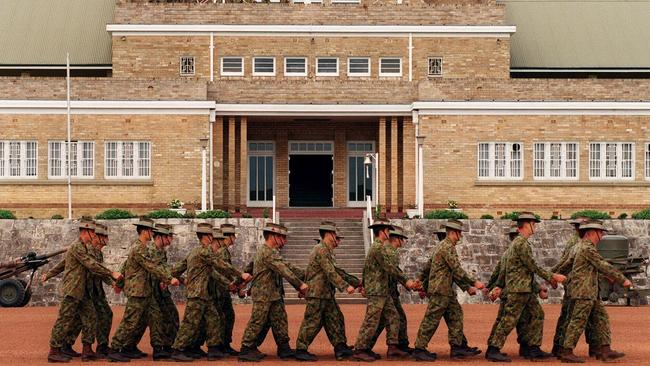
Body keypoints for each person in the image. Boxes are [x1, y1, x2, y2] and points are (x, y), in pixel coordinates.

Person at [486, 212, 566, 362]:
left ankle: (532, 348)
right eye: (533, 224)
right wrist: (552, 277)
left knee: (537, 315)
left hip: (525, 289)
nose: (534, 227)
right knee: (509, 319)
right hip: (518, 290)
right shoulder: (521, 243)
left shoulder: (520, 244)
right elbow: (532, 266)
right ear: (526, 225)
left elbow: (525, 270)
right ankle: (493, 349)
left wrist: (537, 288)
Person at [171, 224, 252, 362]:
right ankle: (177, 349)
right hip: (197, 293)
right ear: (205, 237)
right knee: (190, 323)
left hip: (203, 294)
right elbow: (220, 264)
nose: (213, 239)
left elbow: (179, 270)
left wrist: (179, 279)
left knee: (214, 318)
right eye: (211, 236)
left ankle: (214, 349)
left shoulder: (195, 252)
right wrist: (240, 274)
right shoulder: (204, 252)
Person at [47, 217, 123, 363]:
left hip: (83, 291)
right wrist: (111, 273)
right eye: (92, 232)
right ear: (85, 231)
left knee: (90, 317)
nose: (94, 235)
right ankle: (54, 350)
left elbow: (94, 266)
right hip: (73, 289)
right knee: (65, 319)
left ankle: (87, 351)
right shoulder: (77, 247)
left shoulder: (85, 247)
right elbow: (90, 264)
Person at [557, 219, 632, 363]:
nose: (602, 236)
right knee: (578, 321)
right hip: (584, 292)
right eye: (600, 233)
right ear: (591, 233)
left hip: (589, 291)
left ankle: (605, 349)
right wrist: (622, 279)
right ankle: (567, 351)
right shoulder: (587, 248)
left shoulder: (580, 247)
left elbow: (566, 264)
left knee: (601, 318)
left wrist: (553, 276)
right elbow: (602, 264)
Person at [109, 217, 180, 362]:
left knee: (155, 317)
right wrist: (168, 278)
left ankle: (157, 349)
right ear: (143, 231)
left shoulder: (143, 247)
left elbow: (128, 266)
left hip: (145, 290)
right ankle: (115, 348)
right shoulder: (138, 248)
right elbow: (151, 266)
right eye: (149, 230)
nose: (151, 233)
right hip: (137, 291)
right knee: (130, 321)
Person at [412, 219, 484, 361]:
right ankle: (419, 349)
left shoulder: (442, 247)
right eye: (459, 233)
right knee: (431, 320)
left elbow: (428, 267)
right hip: (440, 290)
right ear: (454, 233)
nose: (460, 236)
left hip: (445, 291)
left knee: (456, 316)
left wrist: (420, 279)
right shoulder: (446, 247)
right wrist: (473, 282)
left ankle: (458, 347)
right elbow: (456, 269)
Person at [239, 223, 309, 362]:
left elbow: (285, 266)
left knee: (280, 320)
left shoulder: (270, 252)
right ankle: (246, 348)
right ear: (273, 236)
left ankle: (284, 348)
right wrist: (300, 285)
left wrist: (305, 274)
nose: (285, 241)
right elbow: (283, 270)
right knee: (257, 321)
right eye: (282, 237)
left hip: (274, 294)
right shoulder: (267, 252)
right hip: (264, 294)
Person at [353, 218, 420, 362]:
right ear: (382, 231)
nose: (389, 233)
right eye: (388, 230)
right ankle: (359, 349)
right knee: (371, 321)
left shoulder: (379, 247)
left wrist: (363, 284)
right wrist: (406, 281)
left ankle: (393, 347)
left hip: (382, 290)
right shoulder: (377, 248)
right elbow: (389, 268)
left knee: (394, 316)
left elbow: (366, 268)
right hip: (377, 290)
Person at [295, 221, 360, 361]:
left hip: (326, 293)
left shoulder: (327, 251)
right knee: (312, 322)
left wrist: (355, 282)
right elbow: (330, 272)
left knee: (335, 318)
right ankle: (301, 349)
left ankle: (340, 347)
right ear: (329, 234)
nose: (337, 237)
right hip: (317, 294)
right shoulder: (321, 249)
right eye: (335, 234)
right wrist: (344, 286)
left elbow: (336, 271)